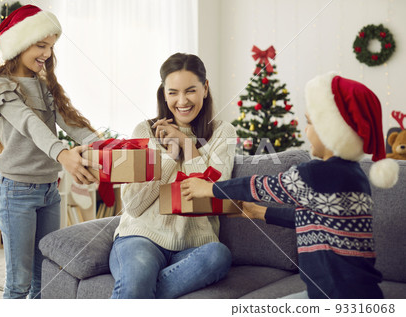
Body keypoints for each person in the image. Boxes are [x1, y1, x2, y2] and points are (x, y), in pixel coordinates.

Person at [180, 72, 399, 299]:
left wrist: (210, 188)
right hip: (359, 293)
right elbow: (312, 219)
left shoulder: (317, 174)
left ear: (331, 129)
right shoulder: (354, 174)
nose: (306, 130)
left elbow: (260, 186)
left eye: (310, 122)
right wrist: (258, 212)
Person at [0, 5, 100, 299]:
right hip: (16, 192)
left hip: (48, 191)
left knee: (45, 281)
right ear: (19, 44)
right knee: (19, 282)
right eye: (41, 44)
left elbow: (70, 121)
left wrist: (102, 144)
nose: (46, 52)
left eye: (51, 46)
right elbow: (27, 122)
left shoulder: (44, 85)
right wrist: (63, 153)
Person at [109, 53, 237, 299]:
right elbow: (134, 206)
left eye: (190, 91)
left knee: (219, 255)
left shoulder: (223, 133)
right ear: (163, 92)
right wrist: (169, 157)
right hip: (140, 237)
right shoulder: (144, 131)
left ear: (205, 88)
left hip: (196, 246)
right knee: (137, 279)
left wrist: (187, 145)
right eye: (173, 92)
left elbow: (214, 196)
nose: (182, 101)